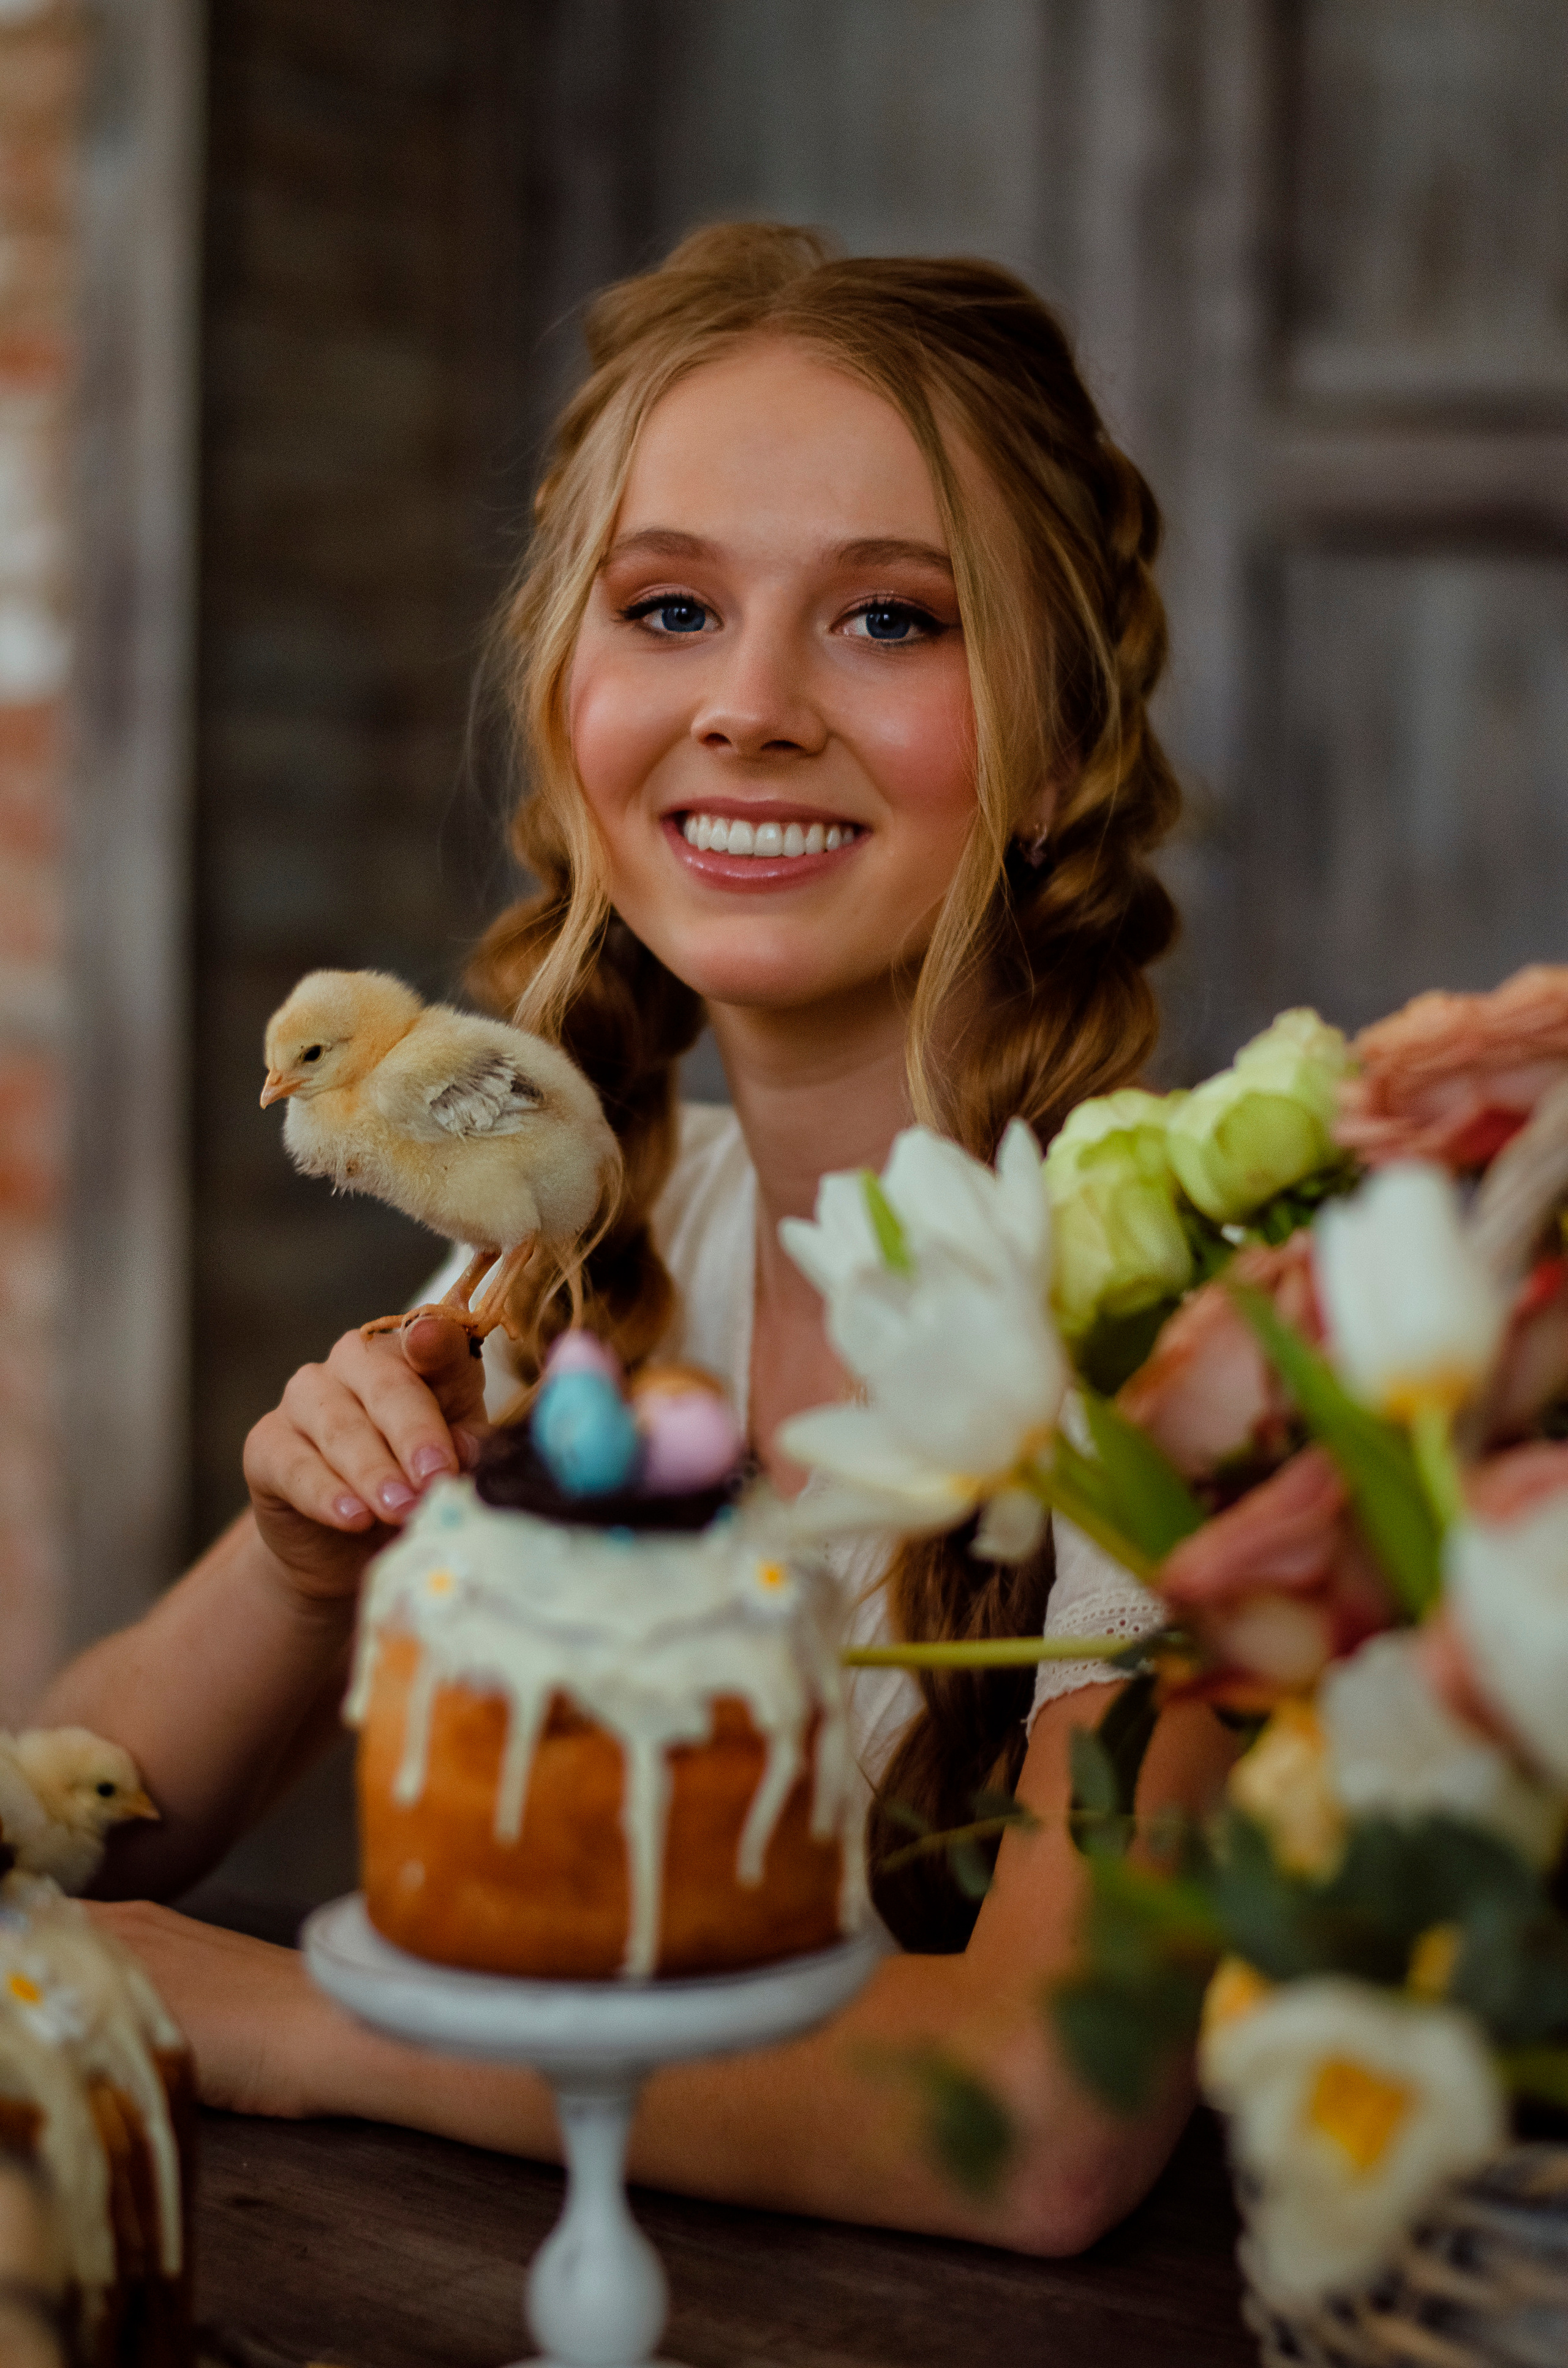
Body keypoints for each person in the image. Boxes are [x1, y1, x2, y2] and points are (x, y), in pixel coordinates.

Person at [37, 224, 1231, 2253]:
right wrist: (302, 1558)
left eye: (889, 621)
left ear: (1052, 742)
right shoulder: (603, 1227)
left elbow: (1049, 2113)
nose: (749, 708)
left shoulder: (1182, 1323)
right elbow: (71, 1828)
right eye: (671, 605)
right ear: (571, 697)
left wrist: (295, 2015)